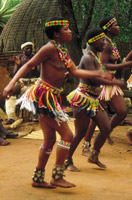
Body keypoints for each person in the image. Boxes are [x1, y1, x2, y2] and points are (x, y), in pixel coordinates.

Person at [3, 17, 108, 188]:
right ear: (56, 33)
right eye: (66, 29)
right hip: (44, 97)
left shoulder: (61, 49)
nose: (70, 31)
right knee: (67, 136)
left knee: (49, 140)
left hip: (52, 97)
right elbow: (29, 65)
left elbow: (74, 71)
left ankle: (38, 178)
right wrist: (11, 83)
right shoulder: (49, 48)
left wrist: (98, 75)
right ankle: (57, 176)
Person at [65, 27, 125, 171]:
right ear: (93, 41)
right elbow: (94, 79)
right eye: (102, 39)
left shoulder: (94, 57)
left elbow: (80, 68)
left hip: (94, 99)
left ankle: (94, 155)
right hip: (83, 99)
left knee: (106, 128)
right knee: (80, 131)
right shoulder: (88, 57)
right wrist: (114, 82)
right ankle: (67, 160)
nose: (105, 42)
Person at [81, 16, 132, 152]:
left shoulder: (110, 43)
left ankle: (96, 138)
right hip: (106, 83)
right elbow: (103, 64)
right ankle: (95, 139)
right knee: (120, 112)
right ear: (109, 28)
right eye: (116, 25)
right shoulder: (106, 44)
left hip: (111, 82)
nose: (119, 27)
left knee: (98, 113)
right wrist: (126, 64)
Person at [5, 42, 40, 124]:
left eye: (30, 48)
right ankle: (11, 116)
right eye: (27, 48)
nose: (29, 50)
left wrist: (35, 68)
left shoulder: (35, 57)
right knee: (10, 93)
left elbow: (40, 72)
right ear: (23, 49)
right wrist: (17, 64)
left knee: (33, 92)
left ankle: (34, 115)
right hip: (22, 82)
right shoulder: (19, 58)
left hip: (34, 81)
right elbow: (15, 74)